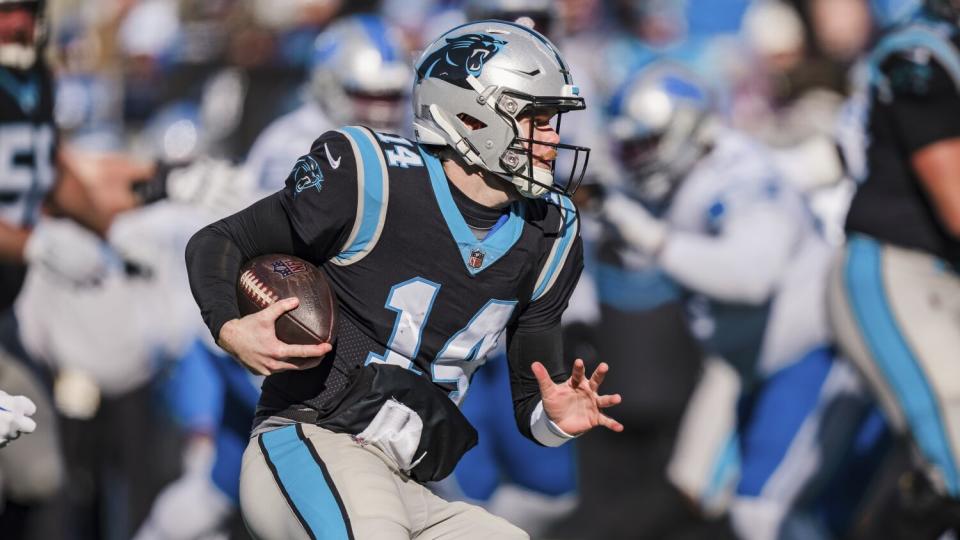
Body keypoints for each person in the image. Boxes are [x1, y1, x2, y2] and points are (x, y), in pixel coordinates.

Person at [186, 19, 622, 540]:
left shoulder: (550, 230)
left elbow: (535, 396)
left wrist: (554, 421)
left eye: (555, 121)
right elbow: (217, 241)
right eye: (537, 118)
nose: (553, 139)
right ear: (472, 115)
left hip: (405, 478)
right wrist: (231, 327)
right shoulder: (372, 177)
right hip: (312, 437)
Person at [601, 61, 883, 539]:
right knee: (713, 494)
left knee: (765, 511)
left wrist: (657, 242)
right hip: (754, 362)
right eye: (627, 148)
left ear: (687, 129)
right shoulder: (697, 176)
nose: (636, 160)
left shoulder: (740, 179)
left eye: (645, 144)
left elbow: (753, 276)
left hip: (814, 352)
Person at [827, 0, 960, 536]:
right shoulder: (920, 53)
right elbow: (955, 199)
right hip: (895, 271)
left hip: (940, 278)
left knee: (935, 466)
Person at [245, 13, 413, 191]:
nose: (383, 109)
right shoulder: (292, 146)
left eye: (393, 95)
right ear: (331, 87)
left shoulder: (409, 133)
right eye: (368, 95)